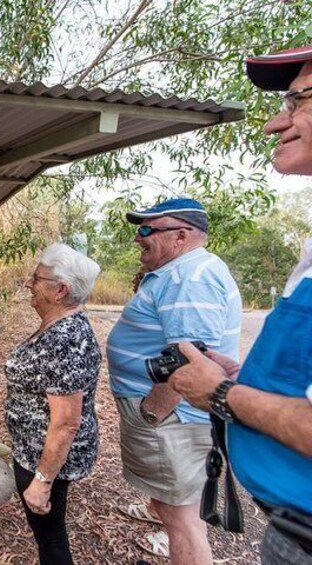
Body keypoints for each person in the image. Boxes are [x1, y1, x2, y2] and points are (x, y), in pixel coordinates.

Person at [168, 47, 312, 565]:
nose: (277, 123)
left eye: (298, 100)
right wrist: (245, 377)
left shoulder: (195, 276)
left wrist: (223, 393)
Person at [106, 197, 242, 564]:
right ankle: (159, 508)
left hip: (171, 423)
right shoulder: (180, 272)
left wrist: (152, 413)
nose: (139, 237)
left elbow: (190, 360)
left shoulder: (189, 277)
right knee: (174, 499)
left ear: (181, 236)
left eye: (148, 229)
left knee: (180, 517)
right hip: (173, 422)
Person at [4, 243, 102, 565]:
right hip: (34, 452)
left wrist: (42, 482)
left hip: (45, 462)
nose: (29, 284)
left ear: (60, 290)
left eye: (37, 278)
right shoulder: (58, 326)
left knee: (52, 542)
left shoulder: (67, 338)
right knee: (48, 536)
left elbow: (66, 422)